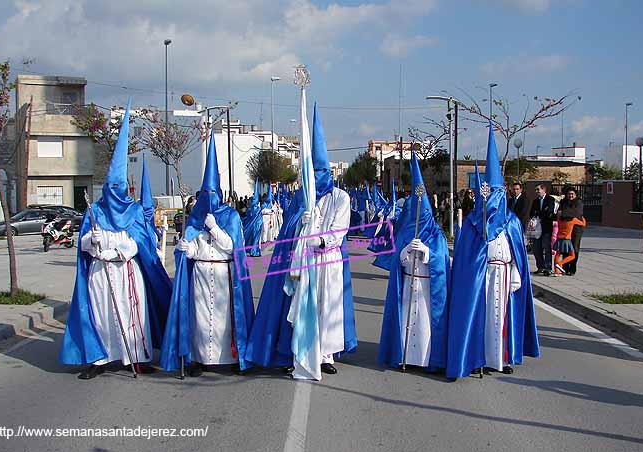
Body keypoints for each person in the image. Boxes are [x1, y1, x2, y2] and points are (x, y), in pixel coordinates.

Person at [59, 100, 171, 380]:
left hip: (126, 271)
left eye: (116, 187)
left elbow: (139, 244)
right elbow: (82, 246)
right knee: (101, 313)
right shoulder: (94, 211)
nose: (112, 191)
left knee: (132, 313)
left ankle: (136, 357)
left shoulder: (133, 211)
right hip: (99, 272)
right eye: (108, 186)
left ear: (124, 188)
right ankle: (99, 358)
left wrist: (116, 252)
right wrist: (90, 241)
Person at [245, 102, 356, 380]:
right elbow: (288, 230)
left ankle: (325, 354)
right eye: (313, 171)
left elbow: (339, 230)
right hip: (303, 261)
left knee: (326, 307)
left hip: (327, 260)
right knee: (300, 305)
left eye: (321, 171)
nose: (317, 177)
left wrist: (316, 236)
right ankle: (297, 351)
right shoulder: (300, 197)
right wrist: (301, 225)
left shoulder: (340, 198)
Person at [446, 126, 539, 380]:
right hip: (483, 277)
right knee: (481, 316)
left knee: (502, 317)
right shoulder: (474, 223)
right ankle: (476, 357)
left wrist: (517, 272)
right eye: (492, 193)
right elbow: (466, 258)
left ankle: (502, 358)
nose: (496, 198)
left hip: (504, 274)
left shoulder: (511, 222)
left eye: (500, 192)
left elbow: (517, 251)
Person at [160, 133, 254, 376]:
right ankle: (200, 359)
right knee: (201, 318)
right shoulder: (194, 218)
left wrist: (214, 228)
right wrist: (186, 249)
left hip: (224, 272)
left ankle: (231, 358)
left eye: (213, 192)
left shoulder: (231, 217)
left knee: (224, 319)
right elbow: (194, 248)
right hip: (201, 273)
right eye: (206, 192)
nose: (210, 197)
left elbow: (232, 248)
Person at [378, 152, 450, 372]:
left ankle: (428, 359)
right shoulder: (404, 233)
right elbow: (396, 260)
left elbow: (442, 261)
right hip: (409, 283)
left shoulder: (437, 235)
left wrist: (427, 251)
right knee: (407, 322)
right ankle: (405, 356)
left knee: (426, 323)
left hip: (427, 287)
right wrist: (406, 251)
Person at [556, 186, 586, 275]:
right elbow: (559, 213)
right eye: (569, 194)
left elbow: (577, 213)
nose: (570, 196)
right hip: (565, 229)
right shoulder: (563, 202)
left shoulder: (579, 202)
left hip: (576, 229)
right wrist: (565, 214)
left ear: (575, 194)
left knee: (574, 248)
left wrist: (565, 213)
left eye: (572, 194)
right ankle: (565, 267)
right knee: (565, 248)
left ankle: (572, 269)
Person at [529, 184, 556, 276]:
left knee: (546, 247)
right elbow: (532, 213)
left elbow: (549, 212)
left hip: (546, 228)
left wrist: (540, 214)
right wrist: (540, 213)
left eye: (538, 189)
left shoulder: (550, 199)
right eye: (536, 190)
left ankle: (548, 267)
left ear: (543, 189)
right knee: (537, 248)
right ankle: (540, 266)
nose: (536, 192)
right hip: (536, 228)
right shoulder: (535, 201)